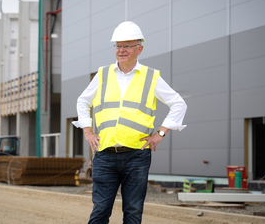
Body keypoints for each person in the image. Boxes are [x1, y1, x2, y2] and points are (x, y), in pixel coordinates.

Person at [73, 21, 187, 224]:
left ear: (139, 49)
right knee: (100, 211)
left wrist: (160, 134)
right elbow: (83, 101)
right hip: (105, 154)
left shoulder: (151, 77)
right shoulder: (103, 74)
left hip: (137, 156)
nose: (121, 50)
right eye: (118, 45)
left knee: (133, 213)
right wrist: (88, 131)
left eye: (127, 45)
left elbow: (178, 104)